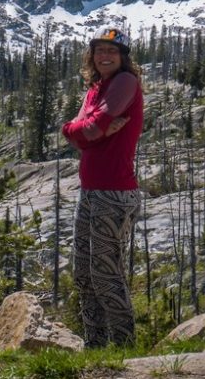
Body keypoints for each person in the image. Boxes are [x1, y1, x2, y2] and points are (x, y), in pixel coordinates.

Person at [62, 25, 144, 347]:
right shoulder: (95, 90)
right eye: (99, 50)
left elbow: (90, 129)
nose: (104, 55)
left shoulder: (125, 82)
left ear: (123, 57)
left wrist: (93, 130)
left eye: (111, 51)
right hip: (89, 191)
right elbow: (72, 132)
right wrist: (94, 131)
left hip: (114, 192)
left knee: (106, 275)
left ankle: (123, 347)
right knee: (83, 273)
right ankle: (95, 348)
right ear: (92, 56)